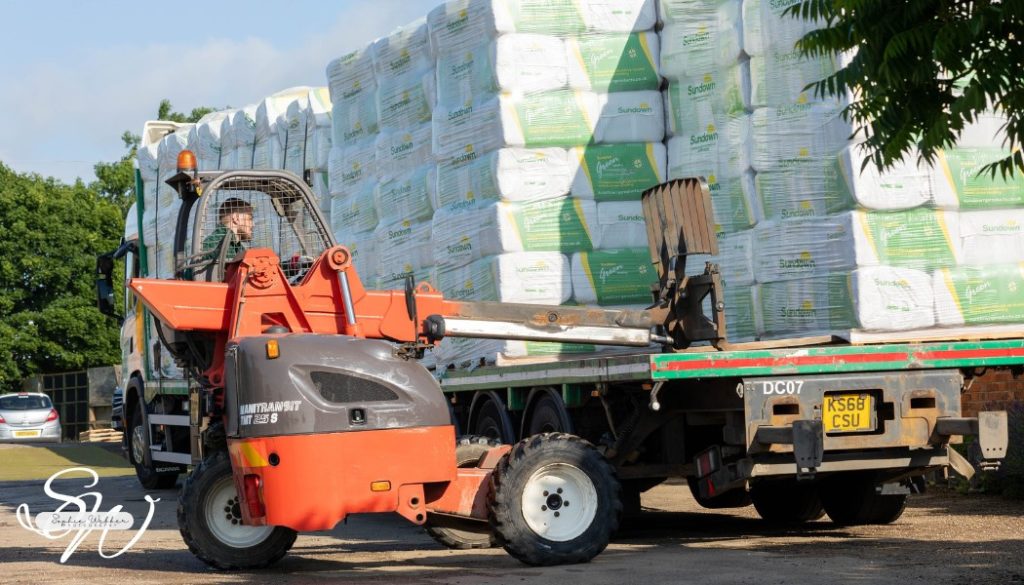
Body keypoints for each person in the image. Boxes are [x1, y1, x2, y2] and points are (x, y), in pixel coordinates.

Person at [202, 198, 254, 262]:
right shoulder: (213, 244)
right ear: (236, 218)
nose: (253, 224)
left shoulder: (239, 248)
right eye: (250, 219)